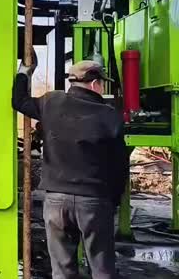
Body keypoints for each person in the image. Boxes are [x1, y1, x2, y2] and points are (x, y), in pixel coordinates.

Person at [12, 56, 130, 279]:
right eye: (102, 84)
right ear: (94, 84)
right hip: (94, 201)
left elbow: (19, 101)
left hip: (56, 201)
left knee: (62, 271)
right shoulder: (109, 116)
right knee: (102, 269)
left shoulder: (51, 102)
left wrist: (24, 71)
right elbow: (120, 165)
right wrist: (112, 200)